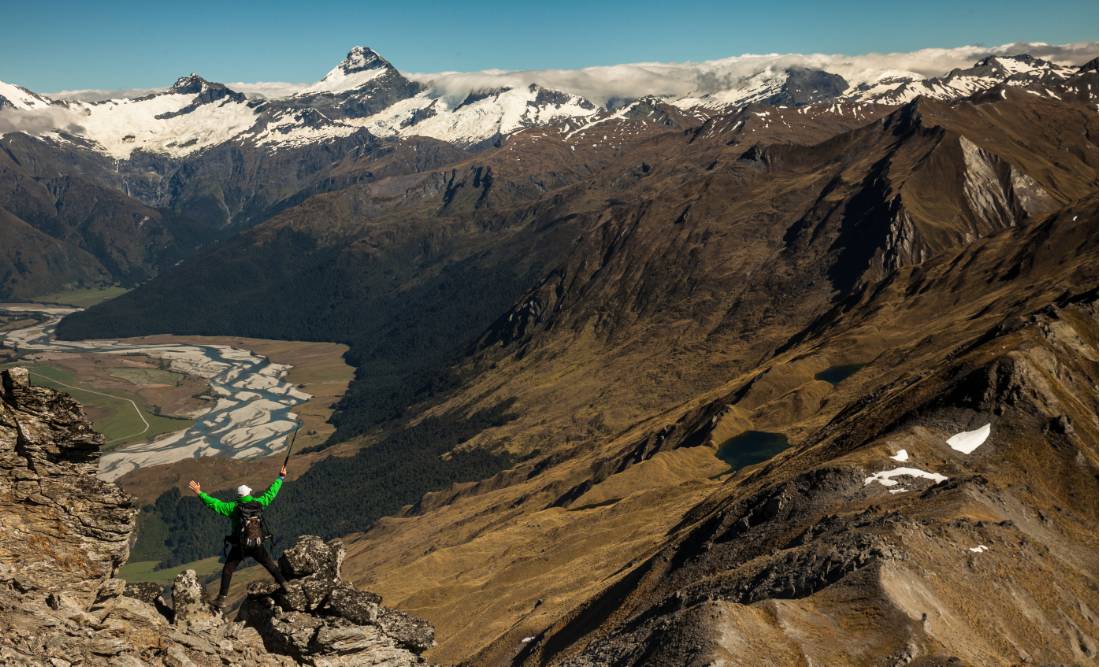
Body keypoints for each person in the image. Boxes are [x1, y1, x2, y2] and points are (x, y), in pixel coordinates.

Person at [187, 465, 289, 609]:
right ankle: (285, 585)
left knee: (228, 569)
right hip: (256, 543)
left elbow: (214, 504)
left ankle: (221, 599)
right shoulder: (259, 503)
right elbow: (272, 493)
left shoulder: (232, 508)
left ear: (238, 496)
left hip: (240, 546)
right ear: (249, 493)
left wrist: (199, 493)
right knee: (269, 564)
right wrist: (280, 477)